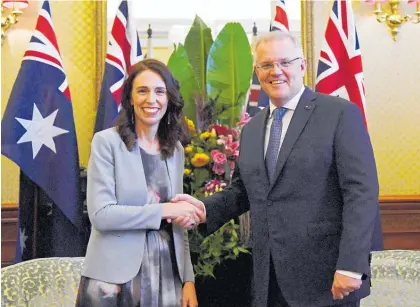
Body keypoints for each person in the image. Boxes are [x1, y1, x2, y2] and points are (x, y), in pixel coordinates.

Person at [173, 31, 381, 307]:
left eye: (284, 62)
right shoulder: (252, 129)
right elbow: (243, 192)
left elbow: (361, 192)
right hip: (267, 278)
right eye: (266, 65)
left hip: (326, 278)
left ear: (302, 66)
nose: (276, 72)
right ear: (257, 72)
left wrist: (351, 265)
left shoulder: (340, 114)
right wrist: (201, 209)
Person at [76, 59, 204, 307]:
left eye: (159, 91)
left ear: (169, 98)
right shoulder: (106, 143)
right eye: (142, 91)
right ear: (130, 98)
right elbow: (101, 215)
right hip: (113, 280)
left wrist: (188, 279)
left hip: (166, 275)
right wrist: (165, 210)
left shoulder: (175, 150)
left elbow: (177, 224)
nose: (151, 99)